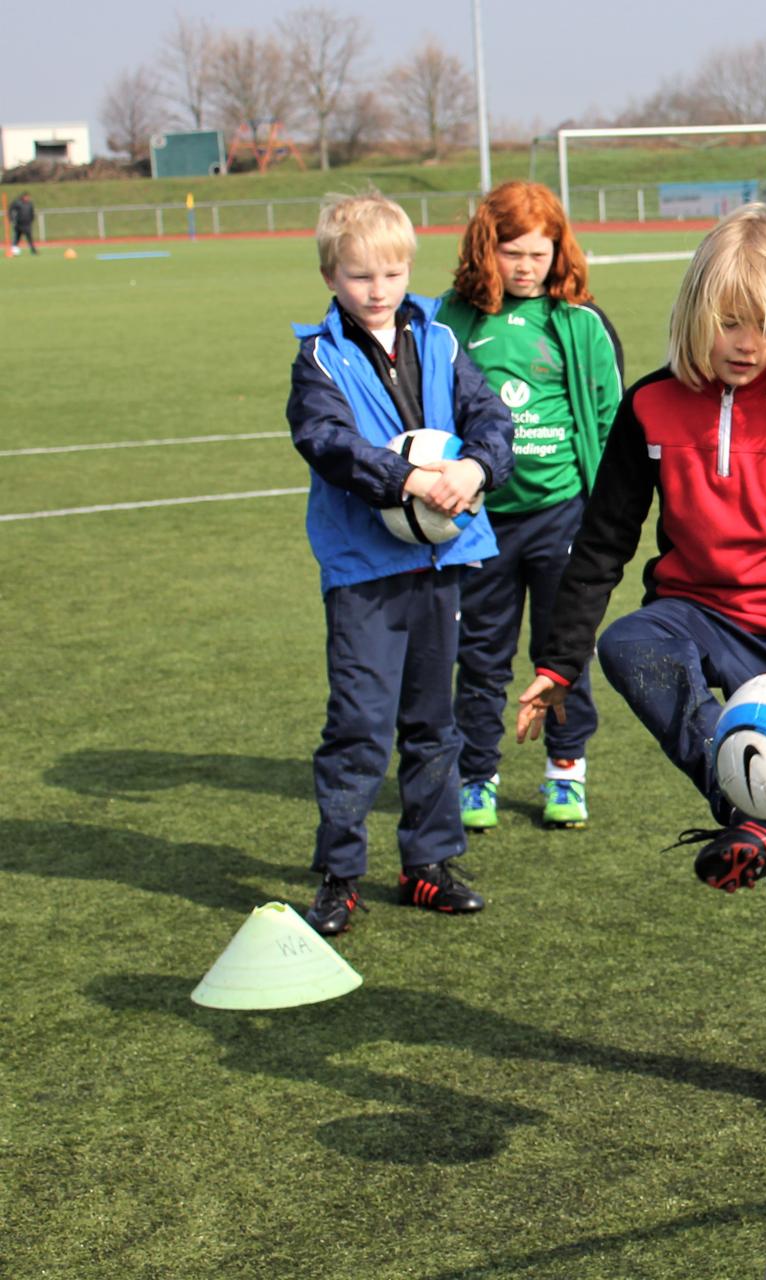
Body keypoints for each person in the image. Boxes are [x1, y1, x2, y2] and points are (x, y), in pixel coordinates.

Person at [514, 204, 766, 1121]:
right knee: (628, 642)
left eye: (764, 323)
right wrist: (558, 665)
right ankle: (747, 805)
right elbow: (603, 544)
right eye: (727, 321)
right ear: (694, 315)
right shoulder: (651, 406)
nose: (745, 342)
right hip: (689, 615)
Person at [286, 191, 516, 936]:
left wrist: (476, 468)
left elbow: (491, 418)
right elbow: (326, 440)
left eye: (390, 273)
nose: (377, 289)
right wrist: (408, 479)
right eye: (359, 276)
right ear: (331, 276)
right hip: (364, 570)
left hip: (442, 562)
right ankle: (339, 874)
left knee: (432, 721)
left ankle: (428, 863)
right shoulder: (319, 357)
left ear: (408, 270)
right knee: (359, 724)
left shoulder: (441, 341)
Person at [438, 181, 625, 834]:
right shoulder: (451, 320)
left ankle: (566, 769)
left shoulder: (580, 321)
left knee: (562, 650)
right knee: (480, 655)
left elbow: (608, 418)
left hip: (562, 516)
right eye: (511, 253)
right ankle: (476, 776)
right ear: (484, 250)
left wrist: (607, 511)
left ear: (558, 252)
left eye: (538, 255)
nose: (525, 267)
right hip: (478, 522)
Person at [8, 191, 37, 256]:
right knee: (16, 238)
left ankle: (33, 251)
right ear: (23, 197)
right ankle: (13, 251)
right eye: (26, 197)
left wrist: (32, 219)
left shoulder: (30, 204)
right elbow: (10, 209)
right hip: (19, 224)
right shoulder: (17, 203)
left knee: (29, 238)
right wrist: (11, 218)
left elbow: (32, 213)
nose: (27, 198)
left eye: (28, 197)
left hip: (27, 224)